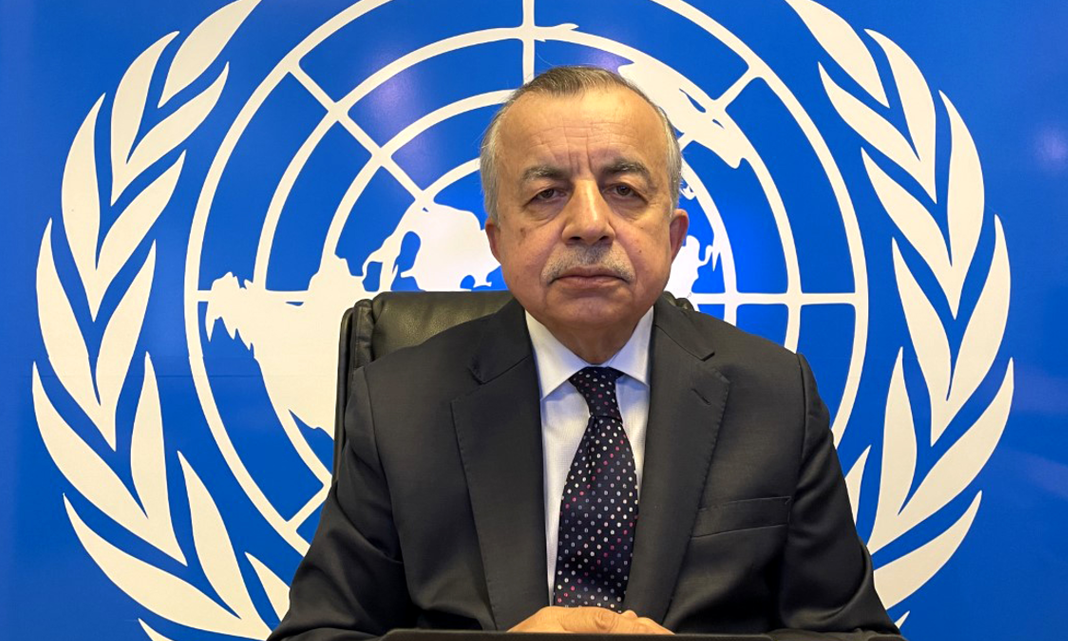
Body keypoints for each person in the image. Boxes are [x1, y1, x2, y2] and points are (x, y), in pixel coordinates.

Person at [270, 66, 903, 640]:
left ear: (674, 235)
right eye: (547, 193)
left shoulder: (775, 397)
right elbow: (318, 635)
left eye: (623, 189)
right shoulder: (398, 407)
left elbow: (854, 636)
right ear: (497, 240)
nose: (590, 224)